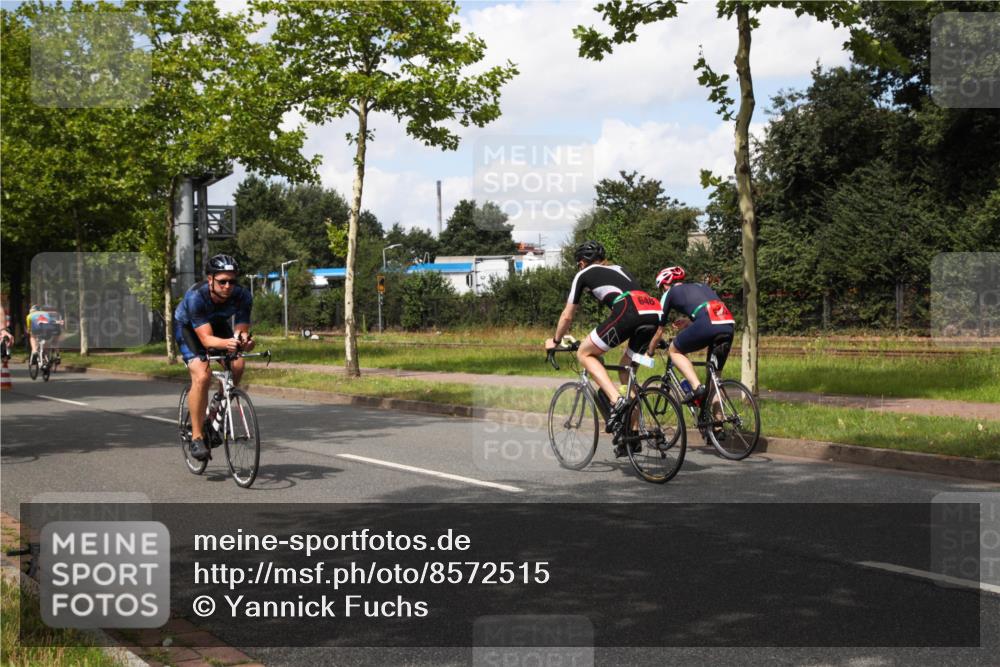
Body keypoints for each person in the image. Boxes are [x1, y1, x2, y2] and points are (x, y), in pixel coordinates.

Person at [544, 241, 662, 451]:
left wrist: (555, 341)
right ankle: (632, 437)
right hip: (652, 310)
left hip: (630, 308)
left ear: (581, 263)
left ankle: (616, 401)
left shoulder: (583, 273)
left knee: (584, 353)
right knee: (627, 371)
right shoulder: (619, 268)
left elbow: (567, 315)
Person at [174, 254, 254, 461]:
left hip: (217, 324)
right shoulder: (196, 297)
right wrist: (228, 343)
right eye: (222, 281)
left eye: (232, 281)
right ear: (210, 279)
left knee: (237, 363)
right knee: (202, 375)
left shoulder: (243, 296)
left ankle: (218, 402)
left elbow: (241, 330)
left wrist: (244, 340)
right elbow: (207, 340)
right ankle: (197, 436)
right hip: (190, 329)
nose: (228, 286)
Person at [647, 266, 735, 405]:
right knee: (715, 382)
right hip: (728, 323)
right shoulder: (702, 286)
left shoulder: (669, 293)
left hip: (708, 323)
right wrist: (689, 321)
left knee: (674, 350)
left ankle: (696, 387)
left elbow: (659, 330)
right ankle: (718, 425)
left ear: (664, 284)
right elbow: (710, 307)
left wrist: (650, 351)